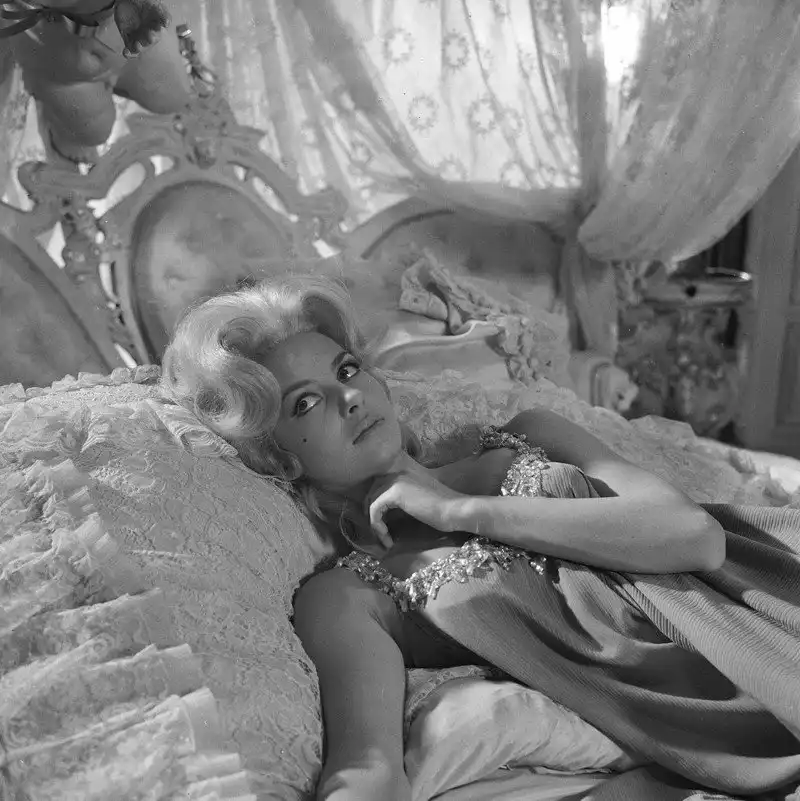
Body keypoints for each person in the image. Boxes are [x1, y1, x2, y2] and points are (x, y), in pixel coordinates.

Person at [162, 273, 800, 801]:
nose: (350, 397)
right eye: (305, 403)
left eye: (348, 369)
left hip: (769, 592)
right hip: (728, 719)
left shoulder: (532, 430)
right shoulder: (346, 596)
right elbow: (366, 764)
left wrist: (460, 509)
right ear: (281, 459)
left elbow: (695, 537)